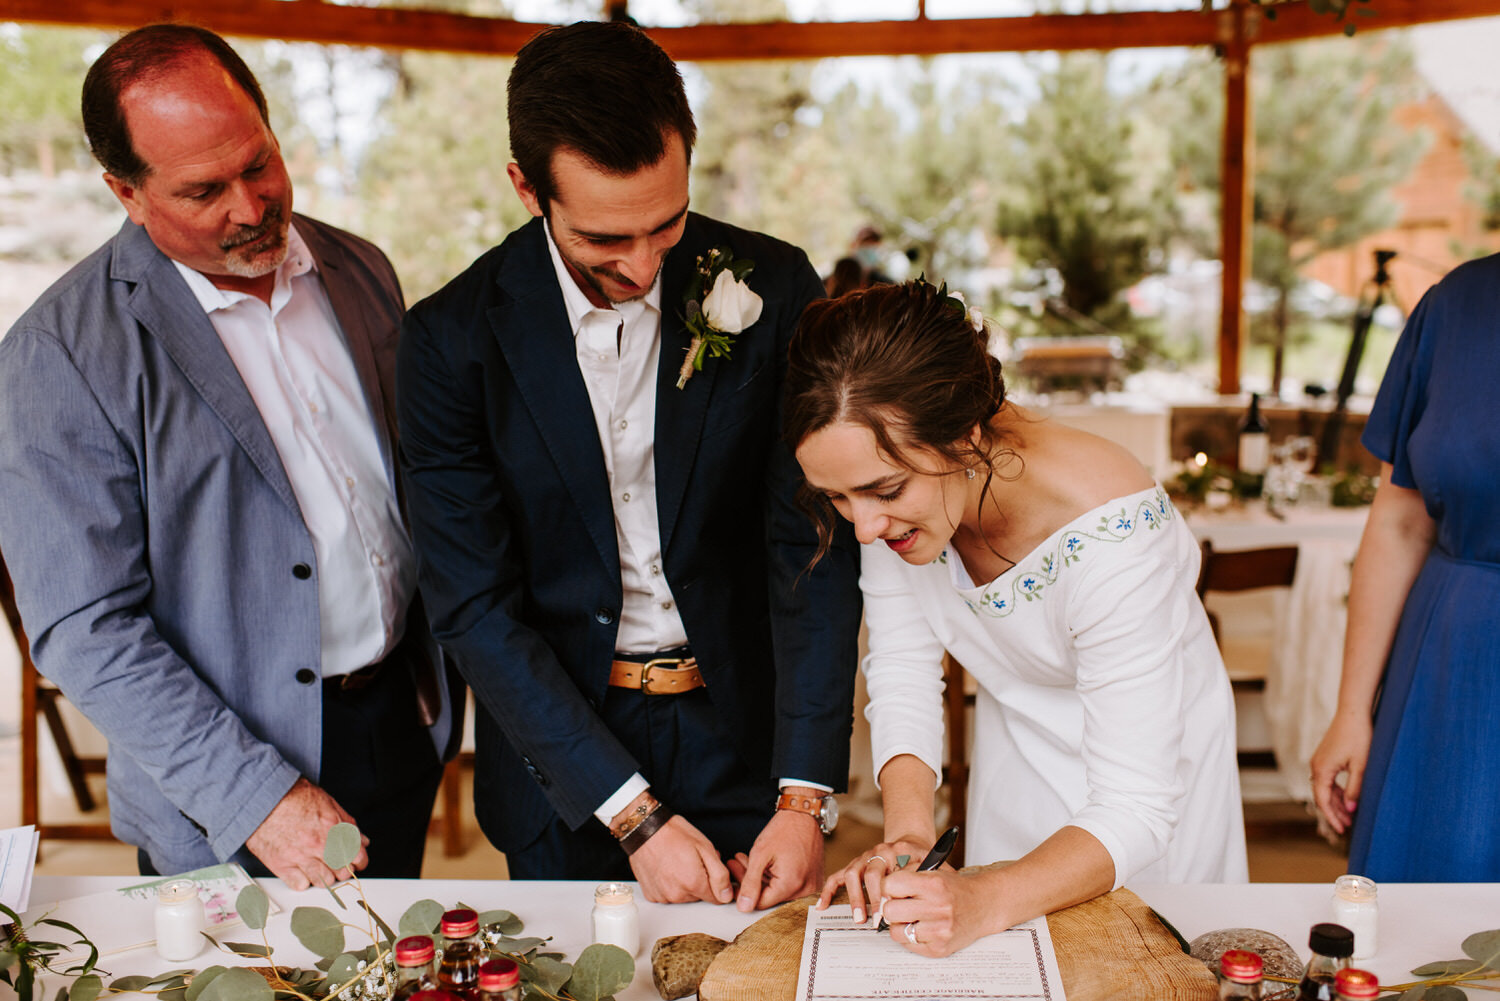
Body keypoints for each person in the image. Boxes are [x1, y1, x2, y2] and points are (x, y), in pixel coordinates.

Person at [396, 21, 862, 910]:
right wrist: (634, 815)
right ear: (526, 188)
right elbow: (473, 606)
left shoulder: (775, 284)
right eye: (607, 239)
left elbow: (806, 543)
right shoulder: (448, 342)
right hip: (562, 755)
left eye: (668, 223)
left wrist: (807, 793)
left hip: (746, 739)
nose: (646, 266)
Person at [0, 25, 456, 887]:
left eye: (259, 164)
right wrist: (260, 795)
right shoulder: (56, 356)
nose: (250, 208)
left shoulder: (359, 269)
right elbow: (85, 627)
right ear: (126, 193)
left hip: (400, 719)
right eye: (205, 189)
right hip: (227, 785)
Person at [785, 281, 1246, 957]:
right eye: (837, 497)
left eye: (883, 492)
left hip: (1150, 786)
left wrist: (982, 897)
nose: (863, 525)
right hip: (1019, 759)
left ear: (965, 435)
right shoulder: (891, 502)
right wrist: (912, 836)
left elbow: (1140, 805)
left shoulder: (1113, 530)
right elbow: (905, 674)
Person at [1310, 256, 1500, 881]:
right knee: (1426, 917)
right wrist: (1351, 710)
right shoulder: (1455, 306)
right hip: (1451, 666)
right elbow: (1400, 521)